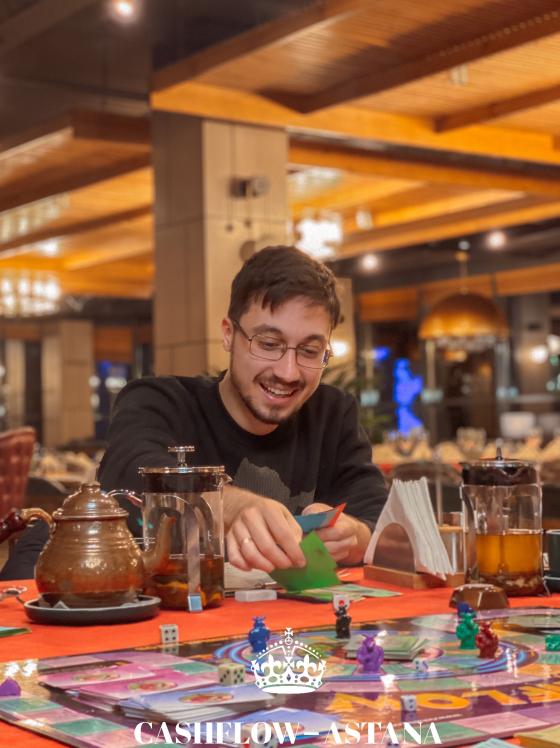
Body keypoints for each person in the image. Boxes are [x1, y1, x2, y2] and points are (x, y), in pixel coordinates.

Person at [0, 245, 387, 579]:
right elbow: (133, 472)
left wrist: (355, 535)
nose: (287, 372)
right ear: (228, 334)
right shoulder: (158, 401)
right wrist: (236, 507)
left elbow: (375, 513)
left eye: (309, 351)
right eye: (268, 344)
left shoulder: (332, 413)